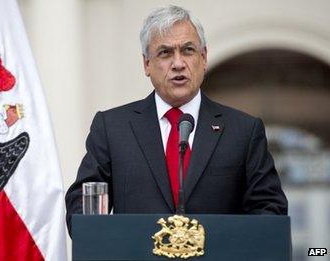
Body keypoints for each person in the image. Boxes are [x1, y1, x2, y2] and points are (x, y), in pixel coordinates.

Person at [65, 5, 287, 233]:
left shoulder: (243, 131)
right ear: (146, 64)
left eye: (188, 50)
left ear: (203, 58)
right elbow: (82, 204)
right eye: (165, 53)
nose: (178, 63)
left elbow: (270, 209)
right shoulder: (112, 128)